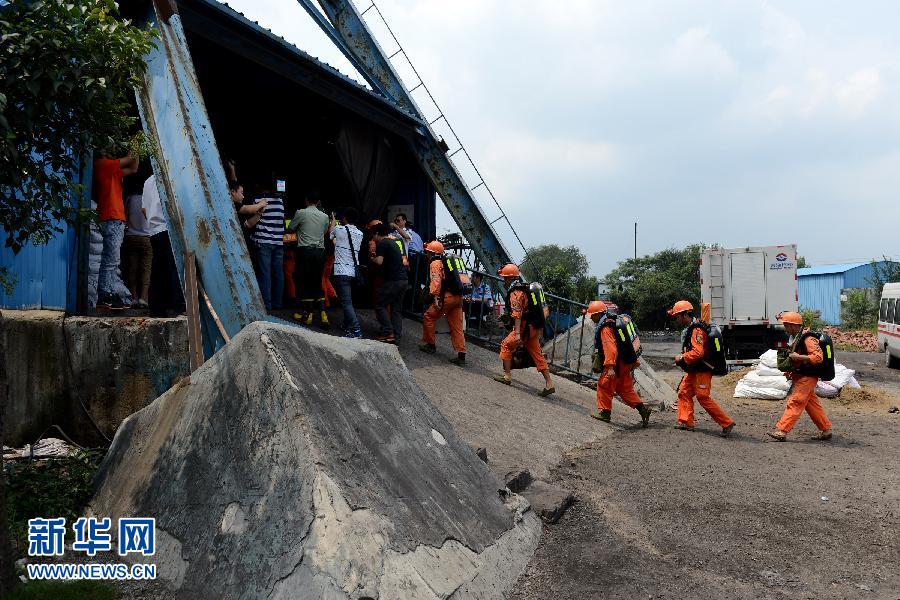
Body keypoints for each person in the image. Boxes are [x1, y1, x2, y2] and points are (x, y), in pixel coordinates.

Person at [669, 300, 735, 437]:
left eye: (677, 316)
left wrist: (682, 357)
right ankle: (685, 421)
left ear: (685, 315)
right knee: (683, 393)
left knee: (702, 397)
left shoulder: (697, 330)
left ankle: (726, 423)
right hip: (694, 369)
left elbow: (698, 353)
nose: (677, 320)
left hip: (702, 369)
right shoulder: (692, 328)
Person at [768, 311, 833, 442]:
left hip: (808, 376)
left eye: (786, 325)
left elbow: (818, 357)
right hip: (801, 375)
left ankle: (782, 431)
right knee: (811, 404)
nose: (784, 328)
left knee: (796, 401)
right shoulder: (795, 337)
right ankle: (826, 430)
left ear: (793, 325)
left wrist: (798, 357)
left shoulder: (808, 339)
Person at [587, 301, 652, 426]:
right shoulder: (614, 321)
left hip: (617, 364)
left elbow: (610, 349)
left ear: (598, 314)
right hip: (626, 362)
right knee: (624, 389)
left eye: (592, 315)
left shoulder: (605, 328)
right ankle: (643, 410)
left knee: (604, 385)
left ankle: (605, 413)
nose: (591, 318)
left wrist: (610, 367)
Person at [493, 263, 554, 396]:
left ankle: (507, 376)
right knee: (537, 354)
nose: (504, 281)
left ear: (510, 278)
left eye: (505, 278)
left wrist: (517, 334)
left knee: (506, 345)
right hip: (534, 328)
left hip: (524, 328)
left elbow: (517, 315)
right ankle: (549, 383)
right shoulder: (525, 288)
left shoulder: (516, 293)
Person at [94, 149, 140, 309]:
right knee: (111, 259)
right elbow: (129, 159)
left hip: (114, 218)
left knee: (113, 260)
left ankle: (110, 293)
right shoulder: (103, 164)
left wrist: (136, 150)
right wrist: (136, 145)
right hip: (111, 216)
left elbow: (133, 168)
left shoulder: (111, 170)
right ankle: (104, 294)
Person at [143, 174, 186, 317]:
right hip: (169, 228)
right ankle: (179, 306)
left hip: (154, 230)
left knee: (158, 270)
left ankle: (156, 309)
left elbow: (144, 210)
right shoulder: (172, 175)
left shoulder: (148, 181)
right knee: (174, 267)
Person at [418, 241, 466, 365]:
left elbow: (436, 282)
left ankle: (430, 345)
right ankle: (461, 355)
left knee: (428, 316)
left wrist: (434, 297)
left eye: (428, 252)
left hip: (447, 298)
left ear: (432, 253)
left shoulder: (435, 263)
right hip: (458, 297)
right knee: (457, 326)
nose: (427, 254)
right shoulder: (449, 262)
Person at [288, 191, 330, 326]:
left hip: (305, 252)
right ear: (318, 202)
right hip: (320, 253)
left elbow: (291, 228)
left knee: (304, 282)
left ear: (306, 200)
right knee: (317, 282)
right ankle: (323, 315)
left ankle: (308, 315)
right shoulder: (325, 216)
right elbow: (324, 232)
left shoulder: (301, 213)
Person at [371, 222, 408, 343]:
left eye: (373, 235)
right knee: (396, 309)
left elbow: (379, 261)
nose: (373, 238)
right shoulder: (393, 242)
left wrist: (372, 258)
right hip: (403, 280)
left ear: (377, 233)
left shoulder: (382, 243)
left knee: (380, 304)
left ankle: (387, 331)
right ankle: (396, 336)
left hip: (393, 280)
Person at [330, 208, 364, 338]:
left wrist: (333, 220)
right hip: (353, 272)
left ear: (344, 218)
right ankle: (347, 325)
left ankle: (356, 329)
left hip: (341, 271)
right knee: (348, 301)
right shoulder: (360, 233)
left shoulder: (339, 229)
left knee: (346, 302)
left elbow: (330, 234)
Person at [251, 190, 285, 311]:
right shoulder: (280, 201)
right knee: (278, 273)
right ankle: (278, 303)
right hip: (278, 243)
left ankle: (266, 304)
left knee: (265, 273)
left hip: (264, 241)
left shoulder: (259, 200)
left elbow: (253, 218)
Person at [121, 187, 152, 308]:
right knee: (146, 269)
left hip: (131, 236)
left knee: (132, 268)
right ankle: (143, 298)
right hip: (146, 237)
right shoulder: (149, 198)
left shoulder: (130, 199)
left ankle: (133, 297)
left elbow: (125, 216)